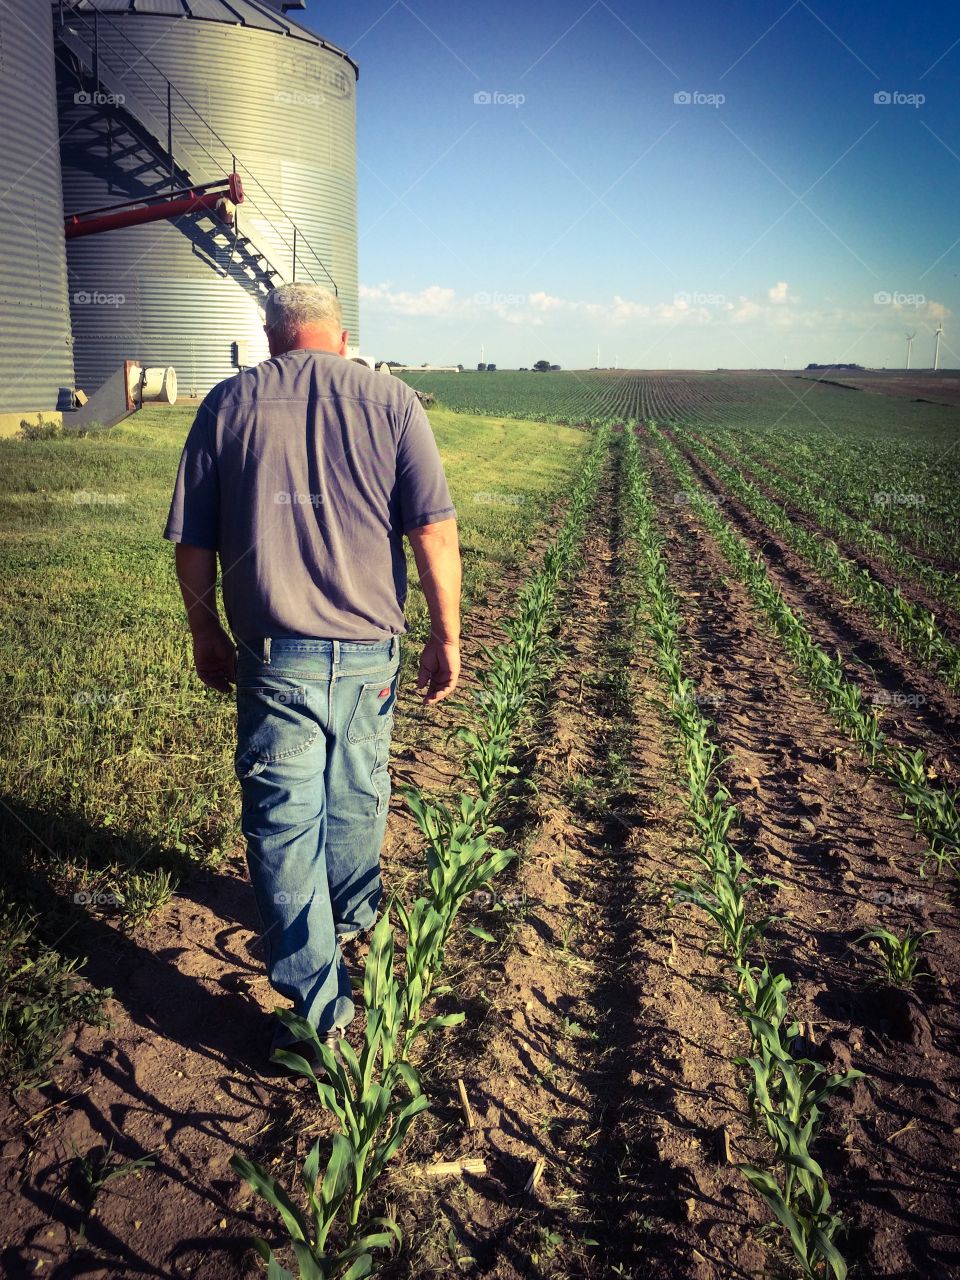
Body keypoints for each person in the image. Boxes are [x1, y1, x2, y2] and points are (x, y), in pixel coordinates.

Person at [164, 282, 462, 1060]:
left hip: (275, 658)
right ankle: (354, 920)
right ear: (341, 335)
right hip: (371, 657)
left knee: (283, 823)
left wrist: (204, 629)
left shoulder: (226, 406)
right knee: (359, 792)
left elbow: (192, 542)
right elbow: (433, 532)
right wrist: (448, 635)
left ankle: (320, 1014)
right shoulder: (393, 401)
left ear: (272, 337)